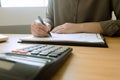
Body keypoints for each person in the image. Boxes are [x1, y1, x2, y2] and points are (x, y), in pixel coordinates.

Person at [31, 0, 120, 37]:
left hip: (98, 52)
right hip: (57, 49)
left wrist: (79, 27)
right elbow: (50, 18)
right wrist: (43, 25)